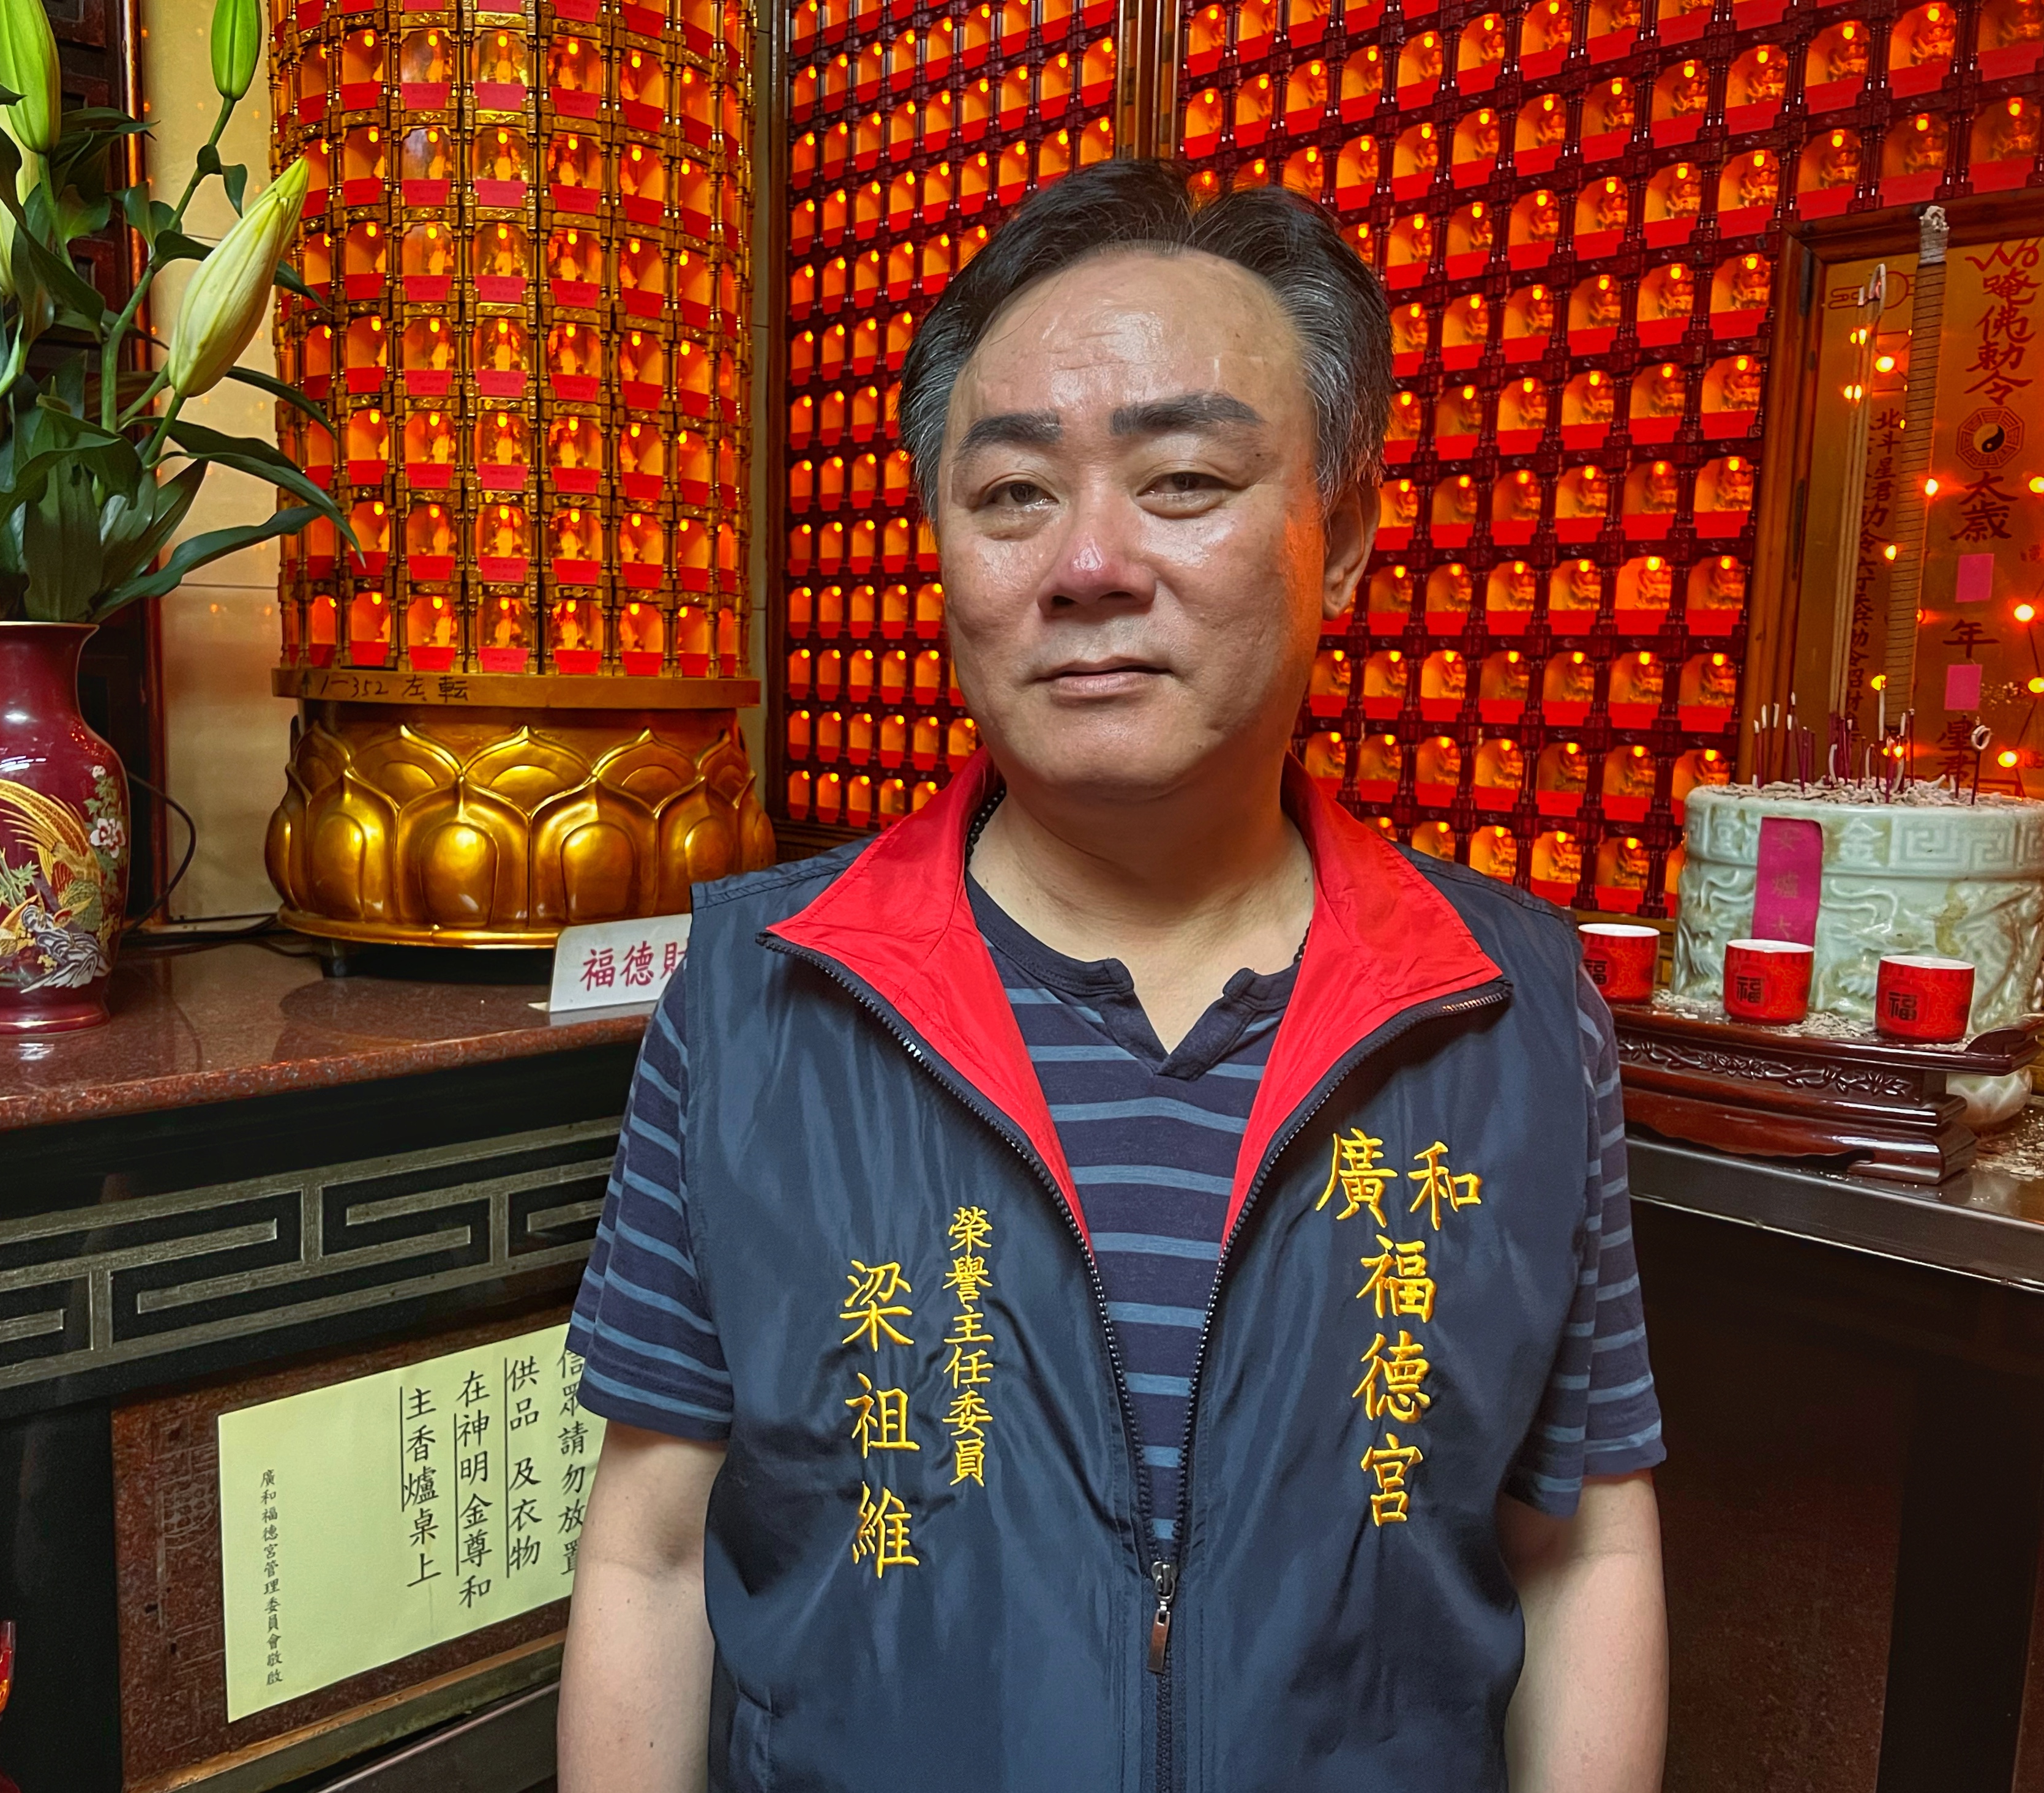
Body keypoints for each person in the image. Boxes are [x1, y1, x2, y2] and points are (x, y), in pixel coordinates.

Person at [558, 157, 1666, 1792]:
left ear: (1343, 540)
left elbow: (1582, 1548)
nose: (1087, 562)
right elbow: (650, 1555)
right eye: (1012, 494)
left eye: (1182, 479)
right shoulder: (752, 997)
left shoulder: (1507, 1004)